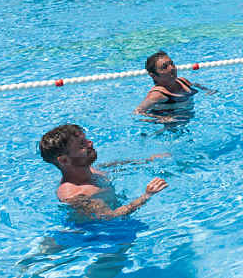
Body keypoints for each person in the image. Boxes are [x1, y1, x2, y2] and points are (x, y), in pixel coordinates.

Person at [39, 124, 167, 218]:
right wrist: (146, 196)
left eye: (86, 140)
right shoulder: (75, 194)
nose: (90, 143)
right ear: (64, 160)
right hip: (97, 235)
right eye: (82, 145)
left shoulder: (89, 170)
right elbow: (109, 217)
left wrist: (146, 161)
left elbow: (111, 166)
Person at [135, 51, 211, 115]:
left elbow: (195, 85)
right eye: (164, 67)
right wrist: (161, 119)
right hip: (170, 127)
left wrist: (207, 90)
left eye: (172, 63)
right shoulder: (157, 95)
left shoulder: (183, 81)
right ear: (153, 75)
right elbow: (137, 112)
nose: (172, 68)